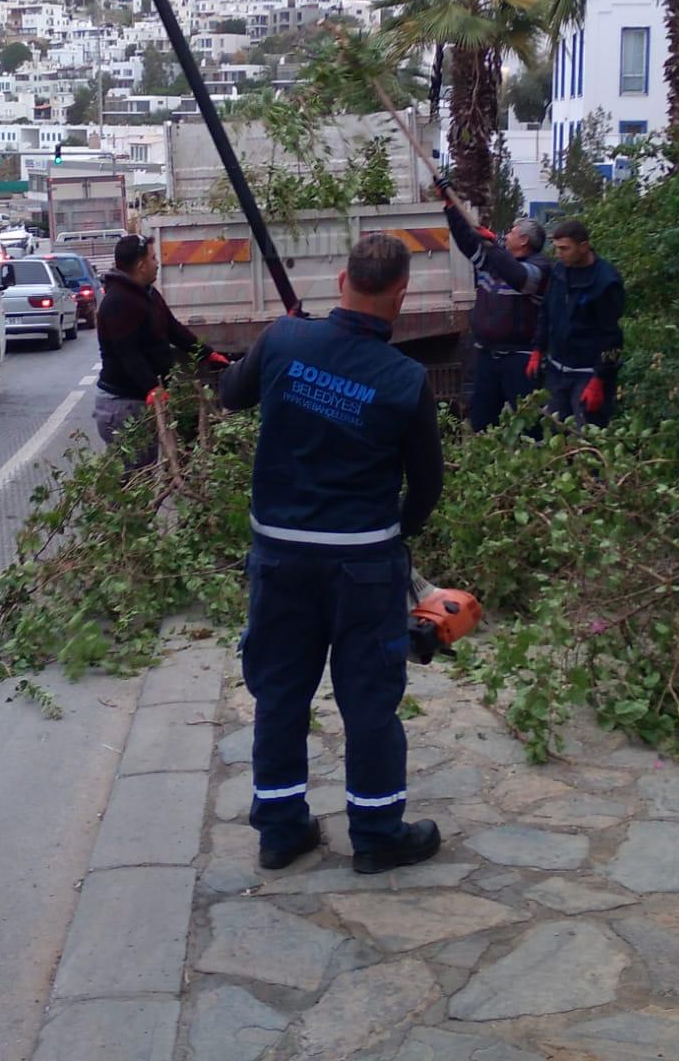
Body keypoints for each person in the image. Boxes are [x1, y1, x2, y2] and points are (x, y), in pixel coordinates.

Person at [217, 233, 445, 874]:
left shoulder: (286, 340)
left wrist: (268, 353)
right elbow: (426, 486)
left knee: (281, 691)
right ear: (401, 294)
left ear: (342, 280)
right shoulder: (405, 379)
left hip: (281, 557)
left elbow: (229, 394)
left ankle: (282, 829)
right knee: (369, 697)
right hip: (364, 565)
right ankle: (376, 833)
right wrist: (392, 537)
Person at [93, 233, 223, 467]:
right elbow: (127, 353)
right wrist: (151, 388)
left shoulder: (148, 294)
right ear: (141, 265)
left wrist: (207, 353)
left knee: (145, 467)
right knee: (132, 477)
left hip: (139, 401)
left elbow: (173, 329)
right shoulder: (118, 302)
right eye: (153, 258)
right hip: (123, 405)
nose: (158, 263)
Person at [437, 184, 548, 429]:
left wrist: (494, 246)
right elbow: (467, 242)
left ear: (524, 241)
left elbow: (518, 277)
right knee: (481, 422)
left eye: (512, 232)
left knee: (531, 426)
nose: (506, 235)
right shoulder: (493, 262)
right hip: (486, 356)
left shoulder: (539, 267)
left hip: (519, 359)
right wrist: (450, 207)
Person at [529, 218, 625, 426]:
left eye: (565, 248)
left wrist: (599, 378)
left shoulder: (606, 282)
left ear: (583, 246)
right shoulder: (559, 271)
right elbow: (546, 311)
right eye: (556, 248)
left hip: (587, 375)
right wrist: (538, 349)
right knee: (554, 432)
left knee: (585, 438)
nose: (559, 254)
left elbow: (613, 337)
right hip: (557, 372)